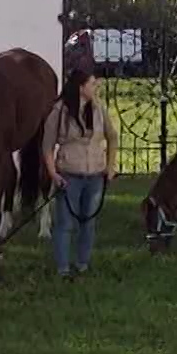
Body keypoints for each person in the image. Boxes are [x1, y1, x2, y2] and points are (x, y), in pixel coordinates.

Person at [43, 68, 118, 279]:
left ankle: (83, 263)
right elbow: (47, 146)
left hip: (95, 175)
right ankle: (63, 269)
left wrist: (110, 166)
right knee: (65, 224)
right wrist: (53, 174)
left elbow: (113, 137)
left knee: (89, 222)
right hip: (69, 176)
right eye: (93, 84)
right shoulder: (59, 111)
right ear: (81, 87)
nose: (96, 88)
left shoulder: (98, 109)